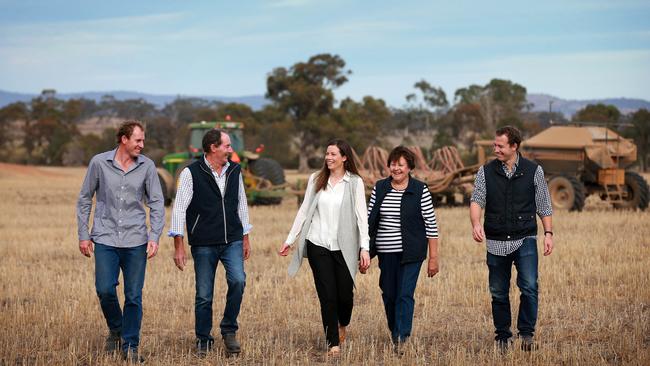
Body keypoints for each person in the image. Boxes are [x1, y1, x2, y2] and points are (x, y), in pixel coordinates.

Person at [76, 120, 165, 363]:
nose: (142, 145)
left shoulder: (147, 166)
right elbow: (85, 199)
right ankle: (116, 328)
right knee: (105, 290)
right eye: (138, 140)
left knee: (134, 296)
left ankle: (130, 346)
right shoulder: (99, 163)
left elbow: (157, 203)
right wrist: (84, 234)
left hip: (136, 239)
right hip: (105, 236)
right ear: (124, 139)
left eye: (143, 140)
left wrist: (154, 236)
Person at [279, 139, 371, 357]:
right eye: (327, 154)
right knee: (327, 295)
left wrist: (364, 248)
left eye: (333, 154)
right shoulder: (316, 179)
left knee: (345, 297)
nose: (328, 158)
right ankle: (333, 343)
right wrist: (290, 239)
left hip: (344, 248)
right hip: (317, 244)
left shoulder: (354, 183)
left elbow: (362, 218)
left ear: (344, 157)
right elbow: (304, 211)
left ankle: (343, 323)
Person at [469, 125, 554, 352]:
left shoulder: (534, 170)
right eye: (494, 145)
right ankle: (503, 336)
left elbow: (544, 205)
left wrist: (548, 234)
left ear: (514, 146)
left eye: (500, 145)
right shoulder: (485, 172)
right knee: (498, 291)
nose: (495, 149)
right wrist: (476, 223)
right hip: (495, 241)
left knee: (529, 286)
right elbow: (477, 200)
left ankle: (526, 334)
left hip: (525, 237)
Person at [169, 128, 252, 357]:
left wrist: (246, 237)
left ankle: (229, 329)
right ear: (213, 147)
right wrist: (179, 244)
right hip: (203, 243)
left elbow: (241, 204)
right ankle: (203, 339)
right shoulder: (190, 172)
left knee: (238, 281)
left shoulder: (235, 170)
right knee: (204, 294)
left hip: (232, 240)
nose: (231, 150)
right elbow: (179, 209)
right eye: (227, 146)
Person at [367, 146, 440, 352]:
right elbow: (369, 220)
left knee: (404, 294)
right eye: (393, 164)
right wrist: (364, 251)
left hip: (412, 253)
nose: (396, 168)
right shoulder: (380, 187)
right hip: (386, 251)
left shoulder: (420, 189)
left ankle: (402, 338)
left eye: (400, 165)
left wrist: (433, 258)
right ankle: (395, 330)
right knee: (389, 294)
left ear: (409, 167)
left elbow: (431, 225)